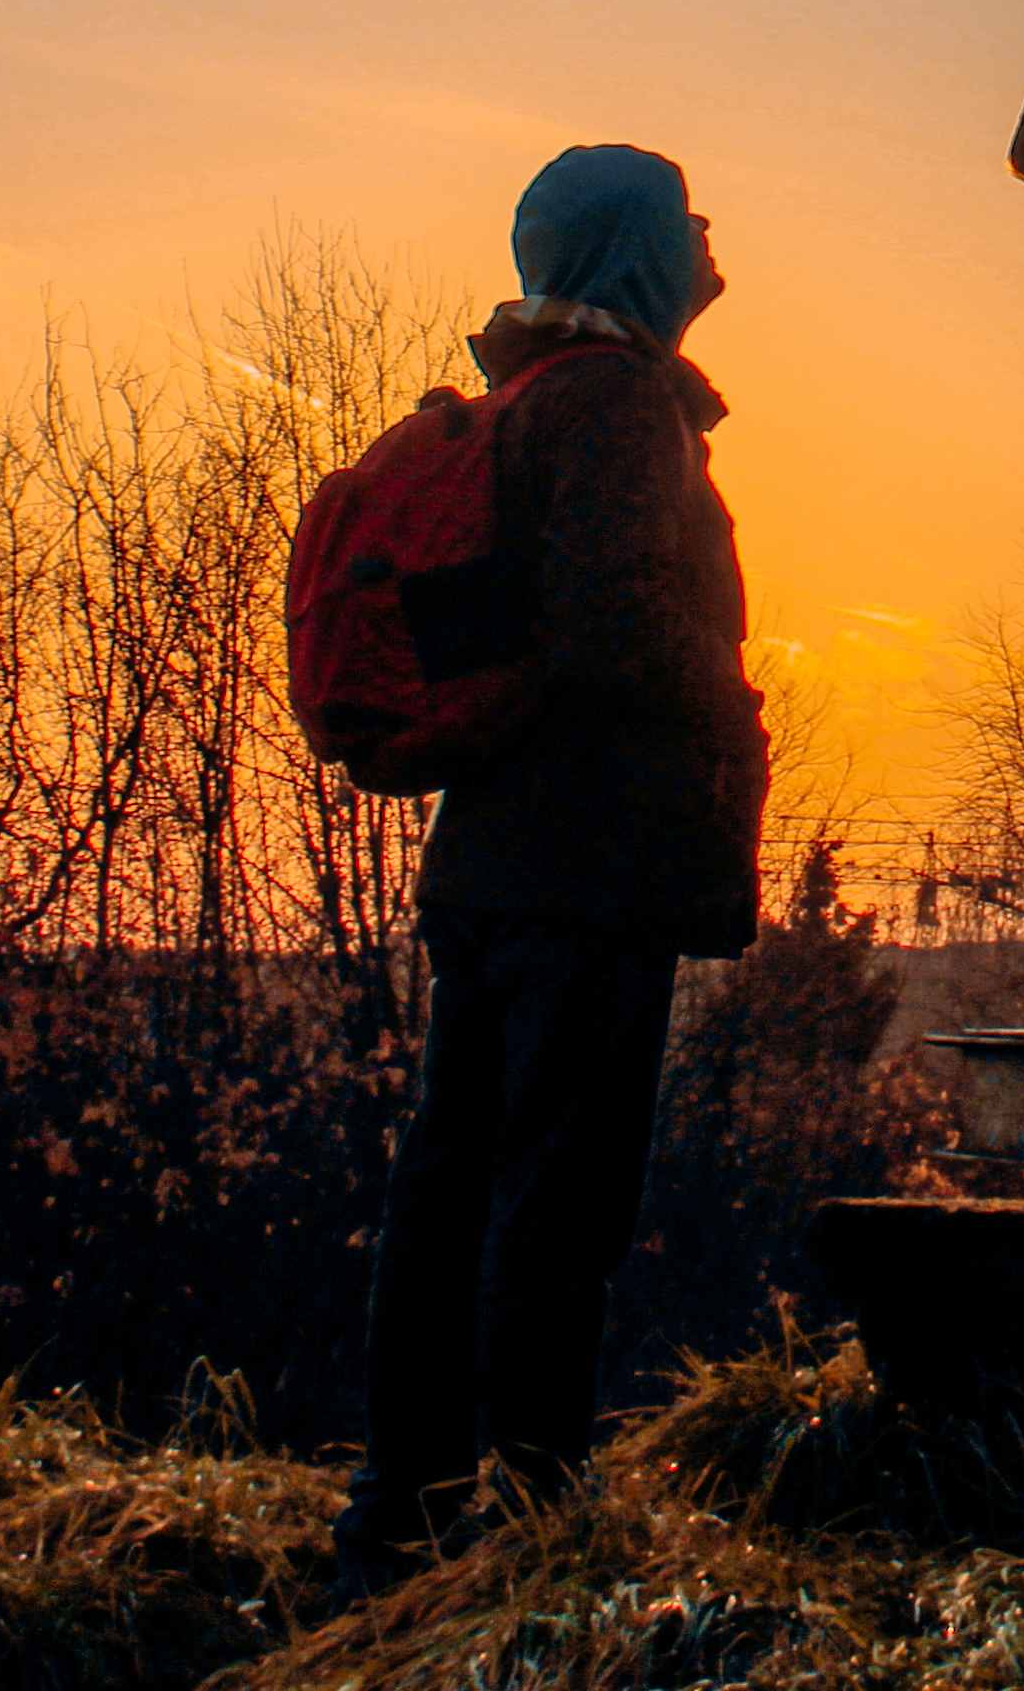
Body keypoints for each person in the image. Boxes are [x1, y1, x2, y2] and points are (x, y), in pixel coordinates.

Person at [337, 143, 765, 1593]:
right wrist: (727, 712)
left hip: (499, 858)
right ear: (631, 250)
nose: (709, 234)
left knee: (453, 1181)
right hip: (593, 861)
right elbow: (622, 628)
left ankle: (403, 1508)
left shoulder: (529, 398)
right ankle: (529, 1517)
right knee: (555, 1202)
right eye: (681, 215)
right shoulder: (616, 408)